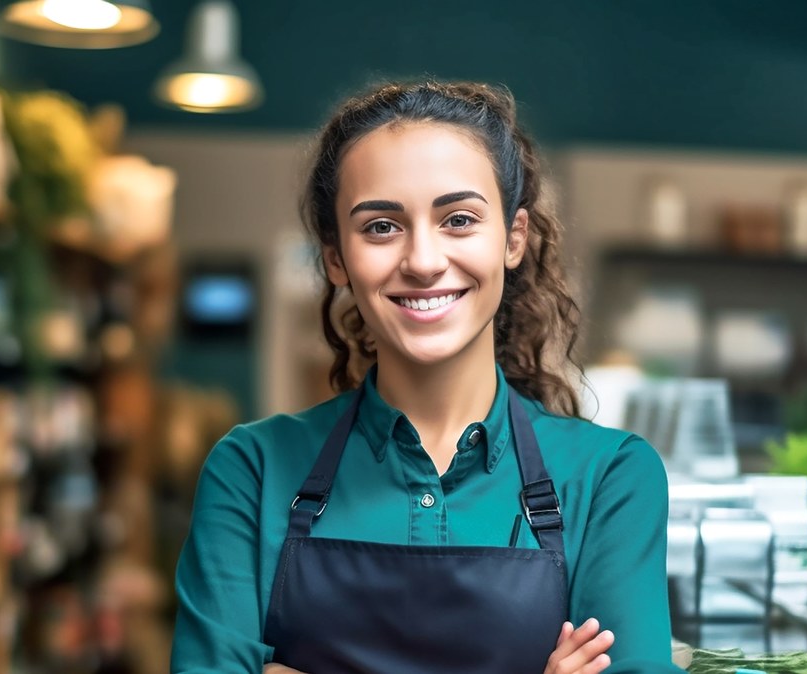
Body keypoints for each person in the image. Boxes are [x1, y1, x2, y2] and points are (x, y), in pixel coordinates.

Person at [170, 81, 680, 674]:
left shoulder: (610, 477)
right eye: (381, 227)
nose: (423, 260)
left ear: (513, 240)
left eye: (458, 219)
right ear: (335, 258)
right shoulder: (251, 470)